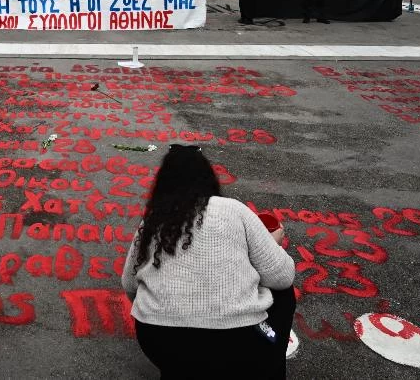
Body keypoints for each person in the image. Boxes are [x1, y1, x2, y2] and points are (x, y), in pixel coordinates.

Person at [122, 145, 295, 380]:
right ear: (209, 178)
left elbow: (129, 284)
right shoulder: (234, 209)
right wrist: (272, 244)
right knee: (284, 293)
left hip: (160, 341)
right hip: (238, 342)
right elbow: (283, 276)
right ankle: (268, 367)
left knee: (182, 355)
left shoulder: (154, 218)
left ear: (163, 184)